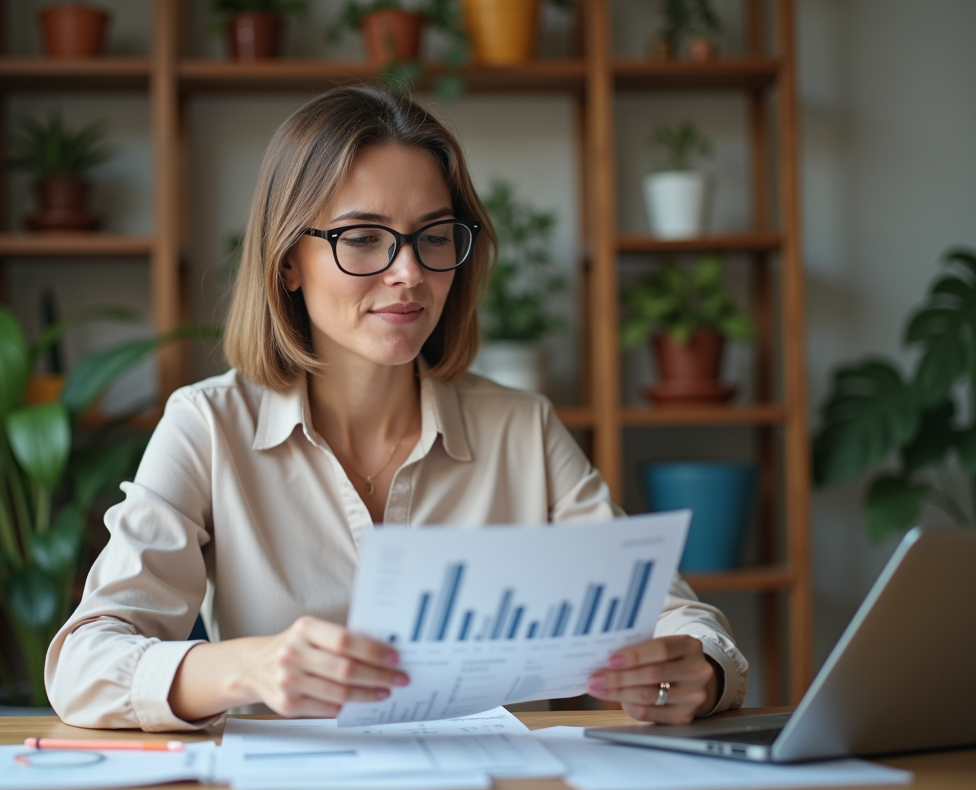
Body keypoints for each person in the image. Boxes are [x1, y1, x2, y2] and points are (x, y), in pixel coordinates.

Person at [45, 86, 748, 731]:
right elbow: (84, 663)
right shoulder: (208, 425)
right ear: (288, 262)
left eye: (433, 236)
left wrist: (698, 669)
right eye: (363, 238)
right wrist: (245, 666)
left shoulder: (521, 428)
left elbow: (672, 613)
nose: (409, 272)